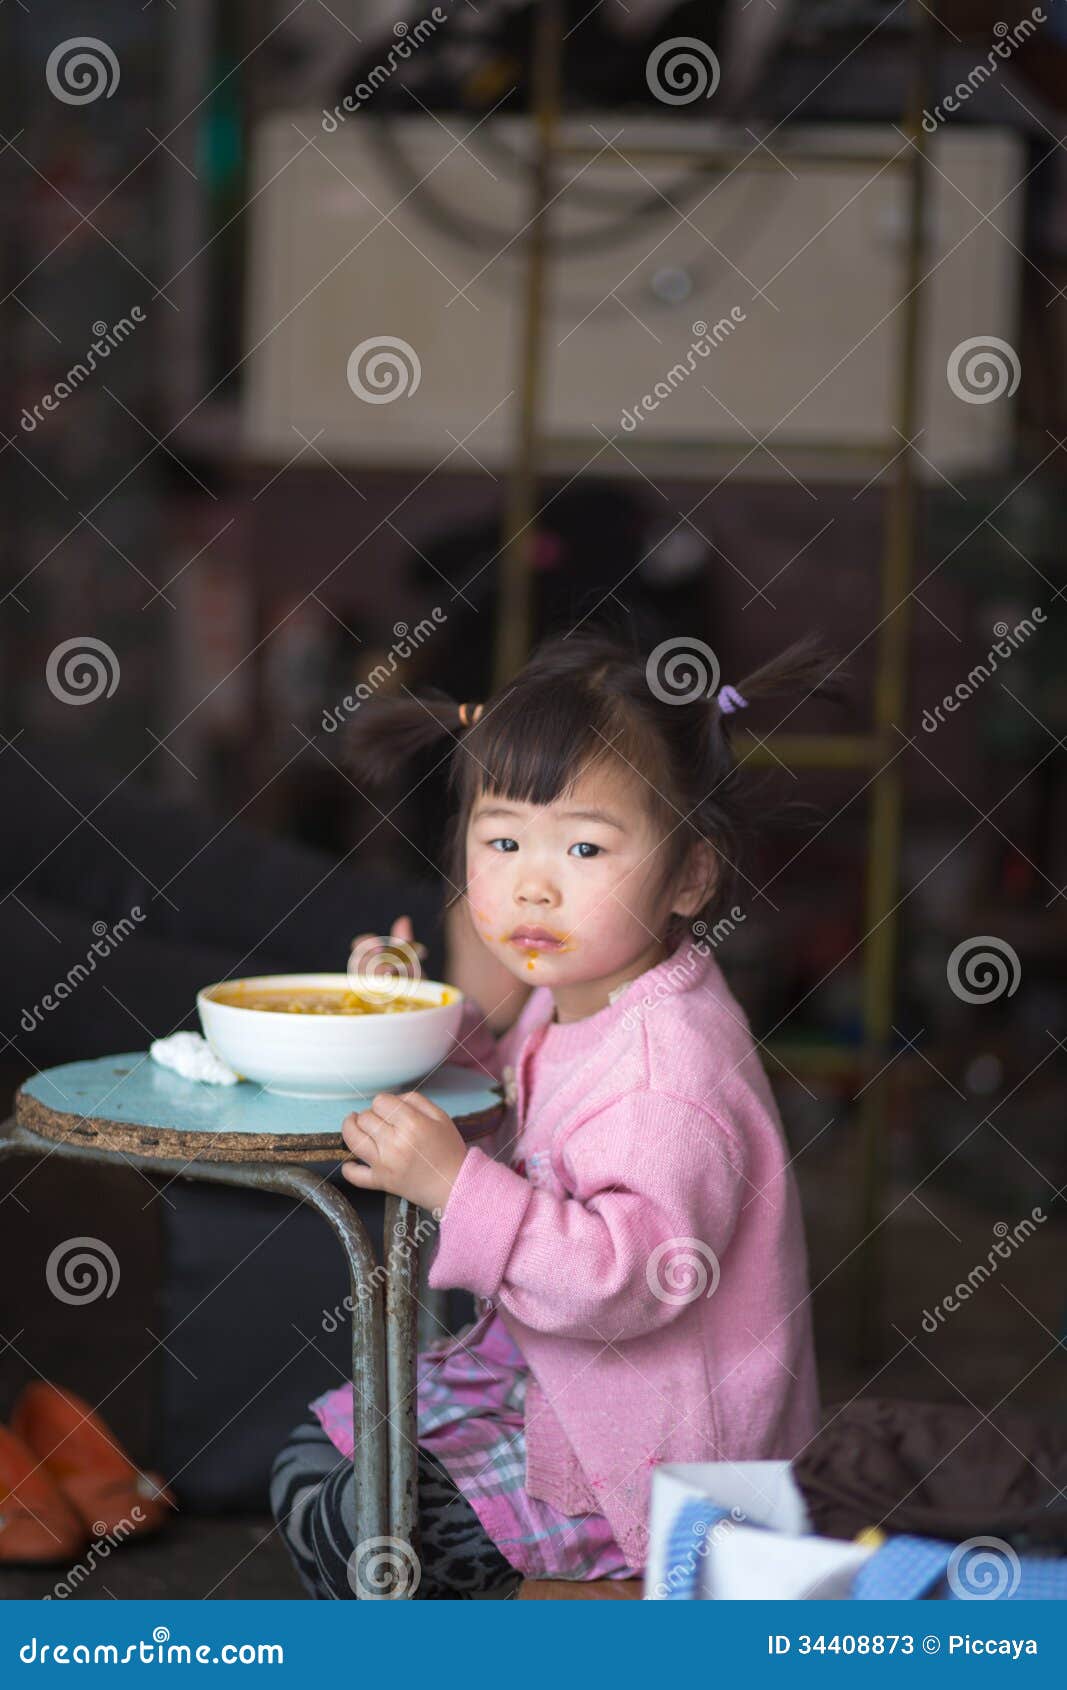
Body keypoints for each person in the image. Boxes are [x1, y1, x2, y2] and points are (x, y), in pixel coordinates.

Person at [271, 629, 827, 1599]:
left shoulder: (667, 1072)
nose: (533, 880)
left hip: (653, 1455)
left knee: (376, 1531)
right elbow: (524, 1110)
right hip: (556, 1388)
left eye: (582, 845)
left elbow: (625, 1276)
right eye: (501, 841)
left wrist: (453, 1184)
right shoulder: (577, 993)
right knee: (308, 1467)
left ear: (690, 875)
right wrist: (407, 1020)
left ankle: (615, 1611)